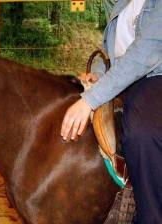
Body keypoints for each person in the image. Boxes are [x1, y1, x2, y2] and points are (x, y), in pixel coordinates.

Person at [61, 0, 162, 223]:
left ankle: (152, 216)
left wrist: (90, 100)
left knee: (142, 133)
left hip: (155, 75)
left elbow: (146, 52)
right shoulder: (120, 3)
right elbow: (113, 48)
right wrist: (98, 73)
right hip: (124, 76)